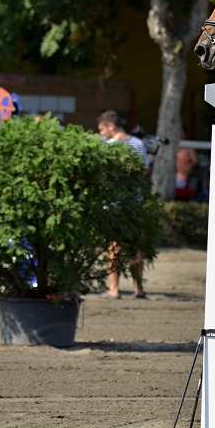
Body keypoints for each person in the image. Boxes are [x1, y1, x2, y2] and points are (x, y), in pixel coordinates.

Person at [97, 110, 149, 299]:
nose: (102, 135)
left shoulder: (109, 146)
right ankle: (139, 289)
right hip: (134, 202)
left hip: (114, 203)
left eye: (102, 130)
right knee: (135, 247)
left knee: (114, 247)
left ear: (111, 126)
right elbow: (144, 171)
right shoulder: (138, 144)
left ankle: (114, 289)